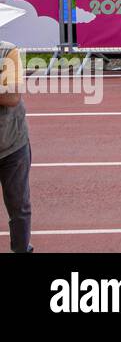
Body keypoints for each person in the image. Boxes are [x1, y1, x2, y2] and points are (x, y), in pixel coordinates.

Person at [0, 37, 33, 252]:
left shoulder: (7, 51)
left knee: (19, 206)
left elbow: (11, 96)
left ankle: (21, 249)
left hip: (12, 143)